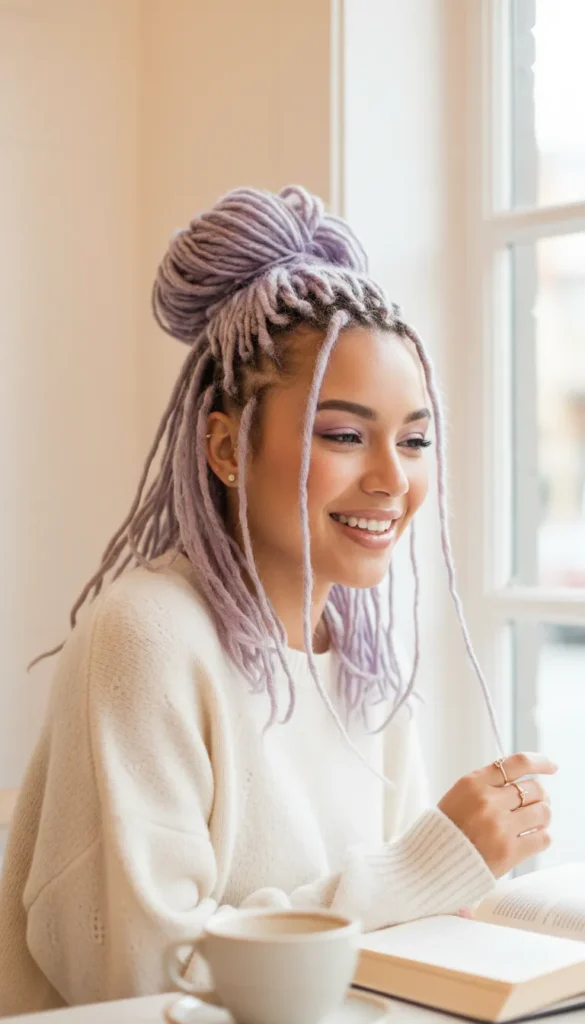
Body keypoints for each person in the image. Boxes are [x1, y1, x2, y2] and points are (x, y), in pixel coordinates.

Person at [0, 186, 555, 1014]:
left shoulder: (364, 663)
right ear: (227, 447)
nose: (392, 479)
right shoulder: (147, 635)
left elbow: (402, 931)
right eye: (344, 435)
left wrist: (463, 877)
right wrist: (424, 865)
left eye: (414, 439)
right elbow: (136, 976)